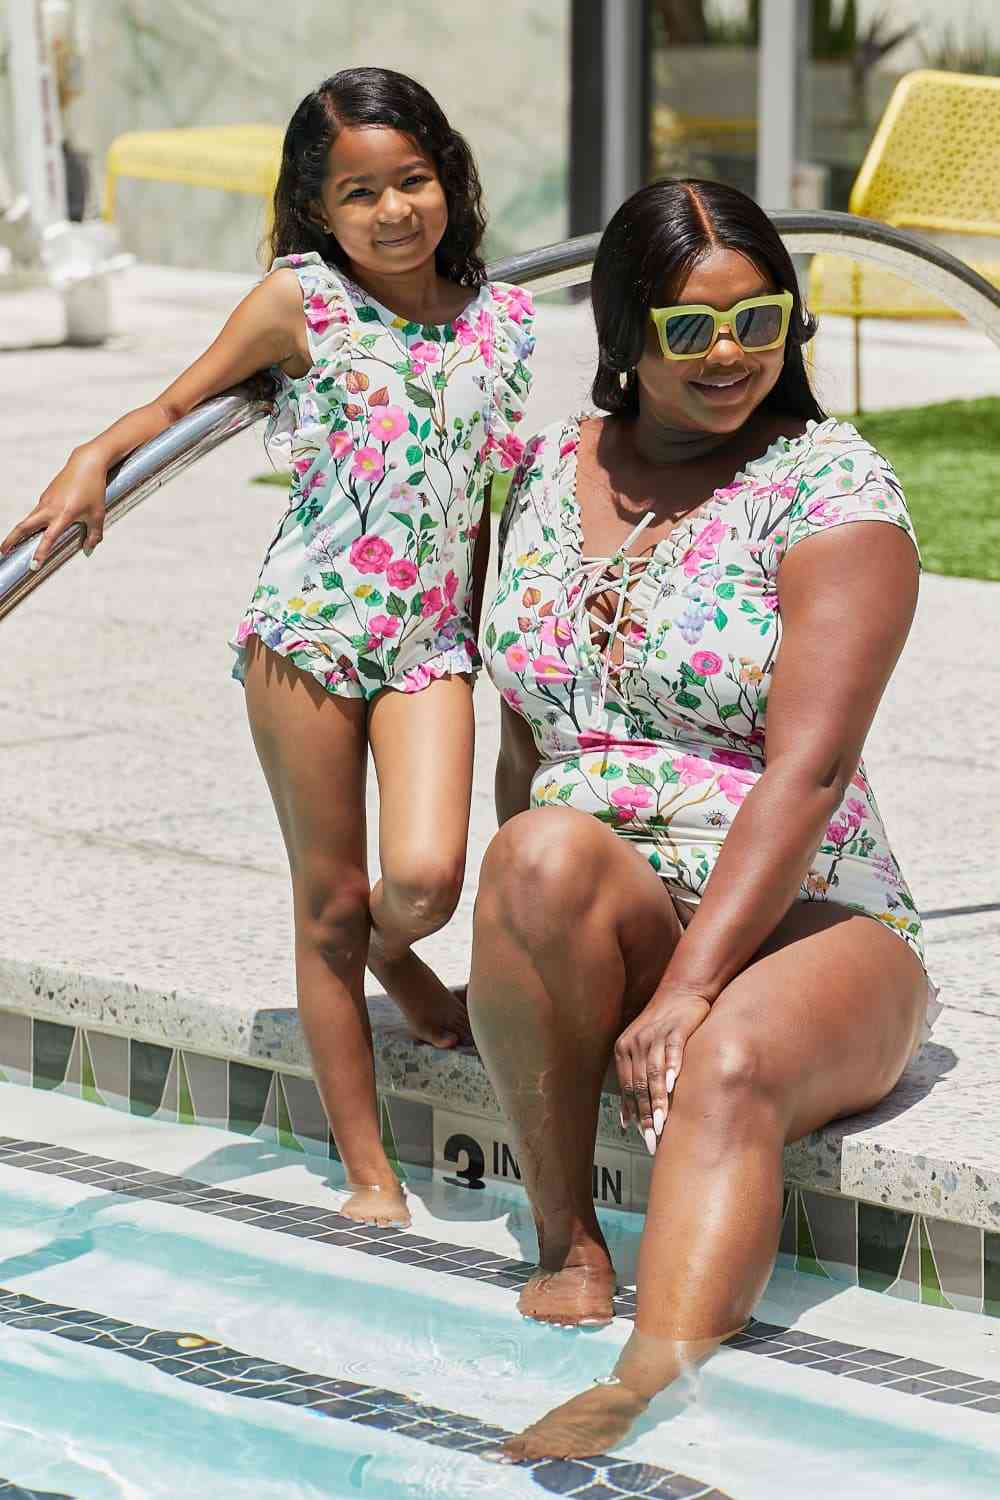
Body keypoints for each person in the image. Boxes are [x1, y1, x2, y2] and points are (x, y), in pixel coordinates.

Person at [0, 68, 535, 1230]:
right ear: (317, 209)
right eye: (359, 194)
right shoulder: (301, 301)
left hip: (428, 646)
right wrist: (90, 462)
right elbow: (171, 407)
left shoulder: (502, 321)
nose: (392, 212)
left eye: (411, 181)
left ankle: (389, 953)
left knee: (425, 882)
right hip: (306, 632)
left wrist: (486, 630)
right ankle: (368, 1170)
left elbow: (484, 501)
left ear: (448, 177)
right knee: (326, 902)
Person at [469, 178, 938, 1460]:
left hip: (812, 917)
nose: (730, 353)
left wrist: (686, 989)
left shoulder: (828, 487)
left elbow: (811, 768)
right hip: (618, 901)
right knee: (530, 852)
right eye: (691, 328)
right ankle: (567, 1236)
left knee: (721, 1059)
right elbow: (522, 733)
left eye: (758, 320)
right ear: (625, 332)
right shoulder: (540, 472)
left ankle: (643, 1382)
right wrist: (510, 956)